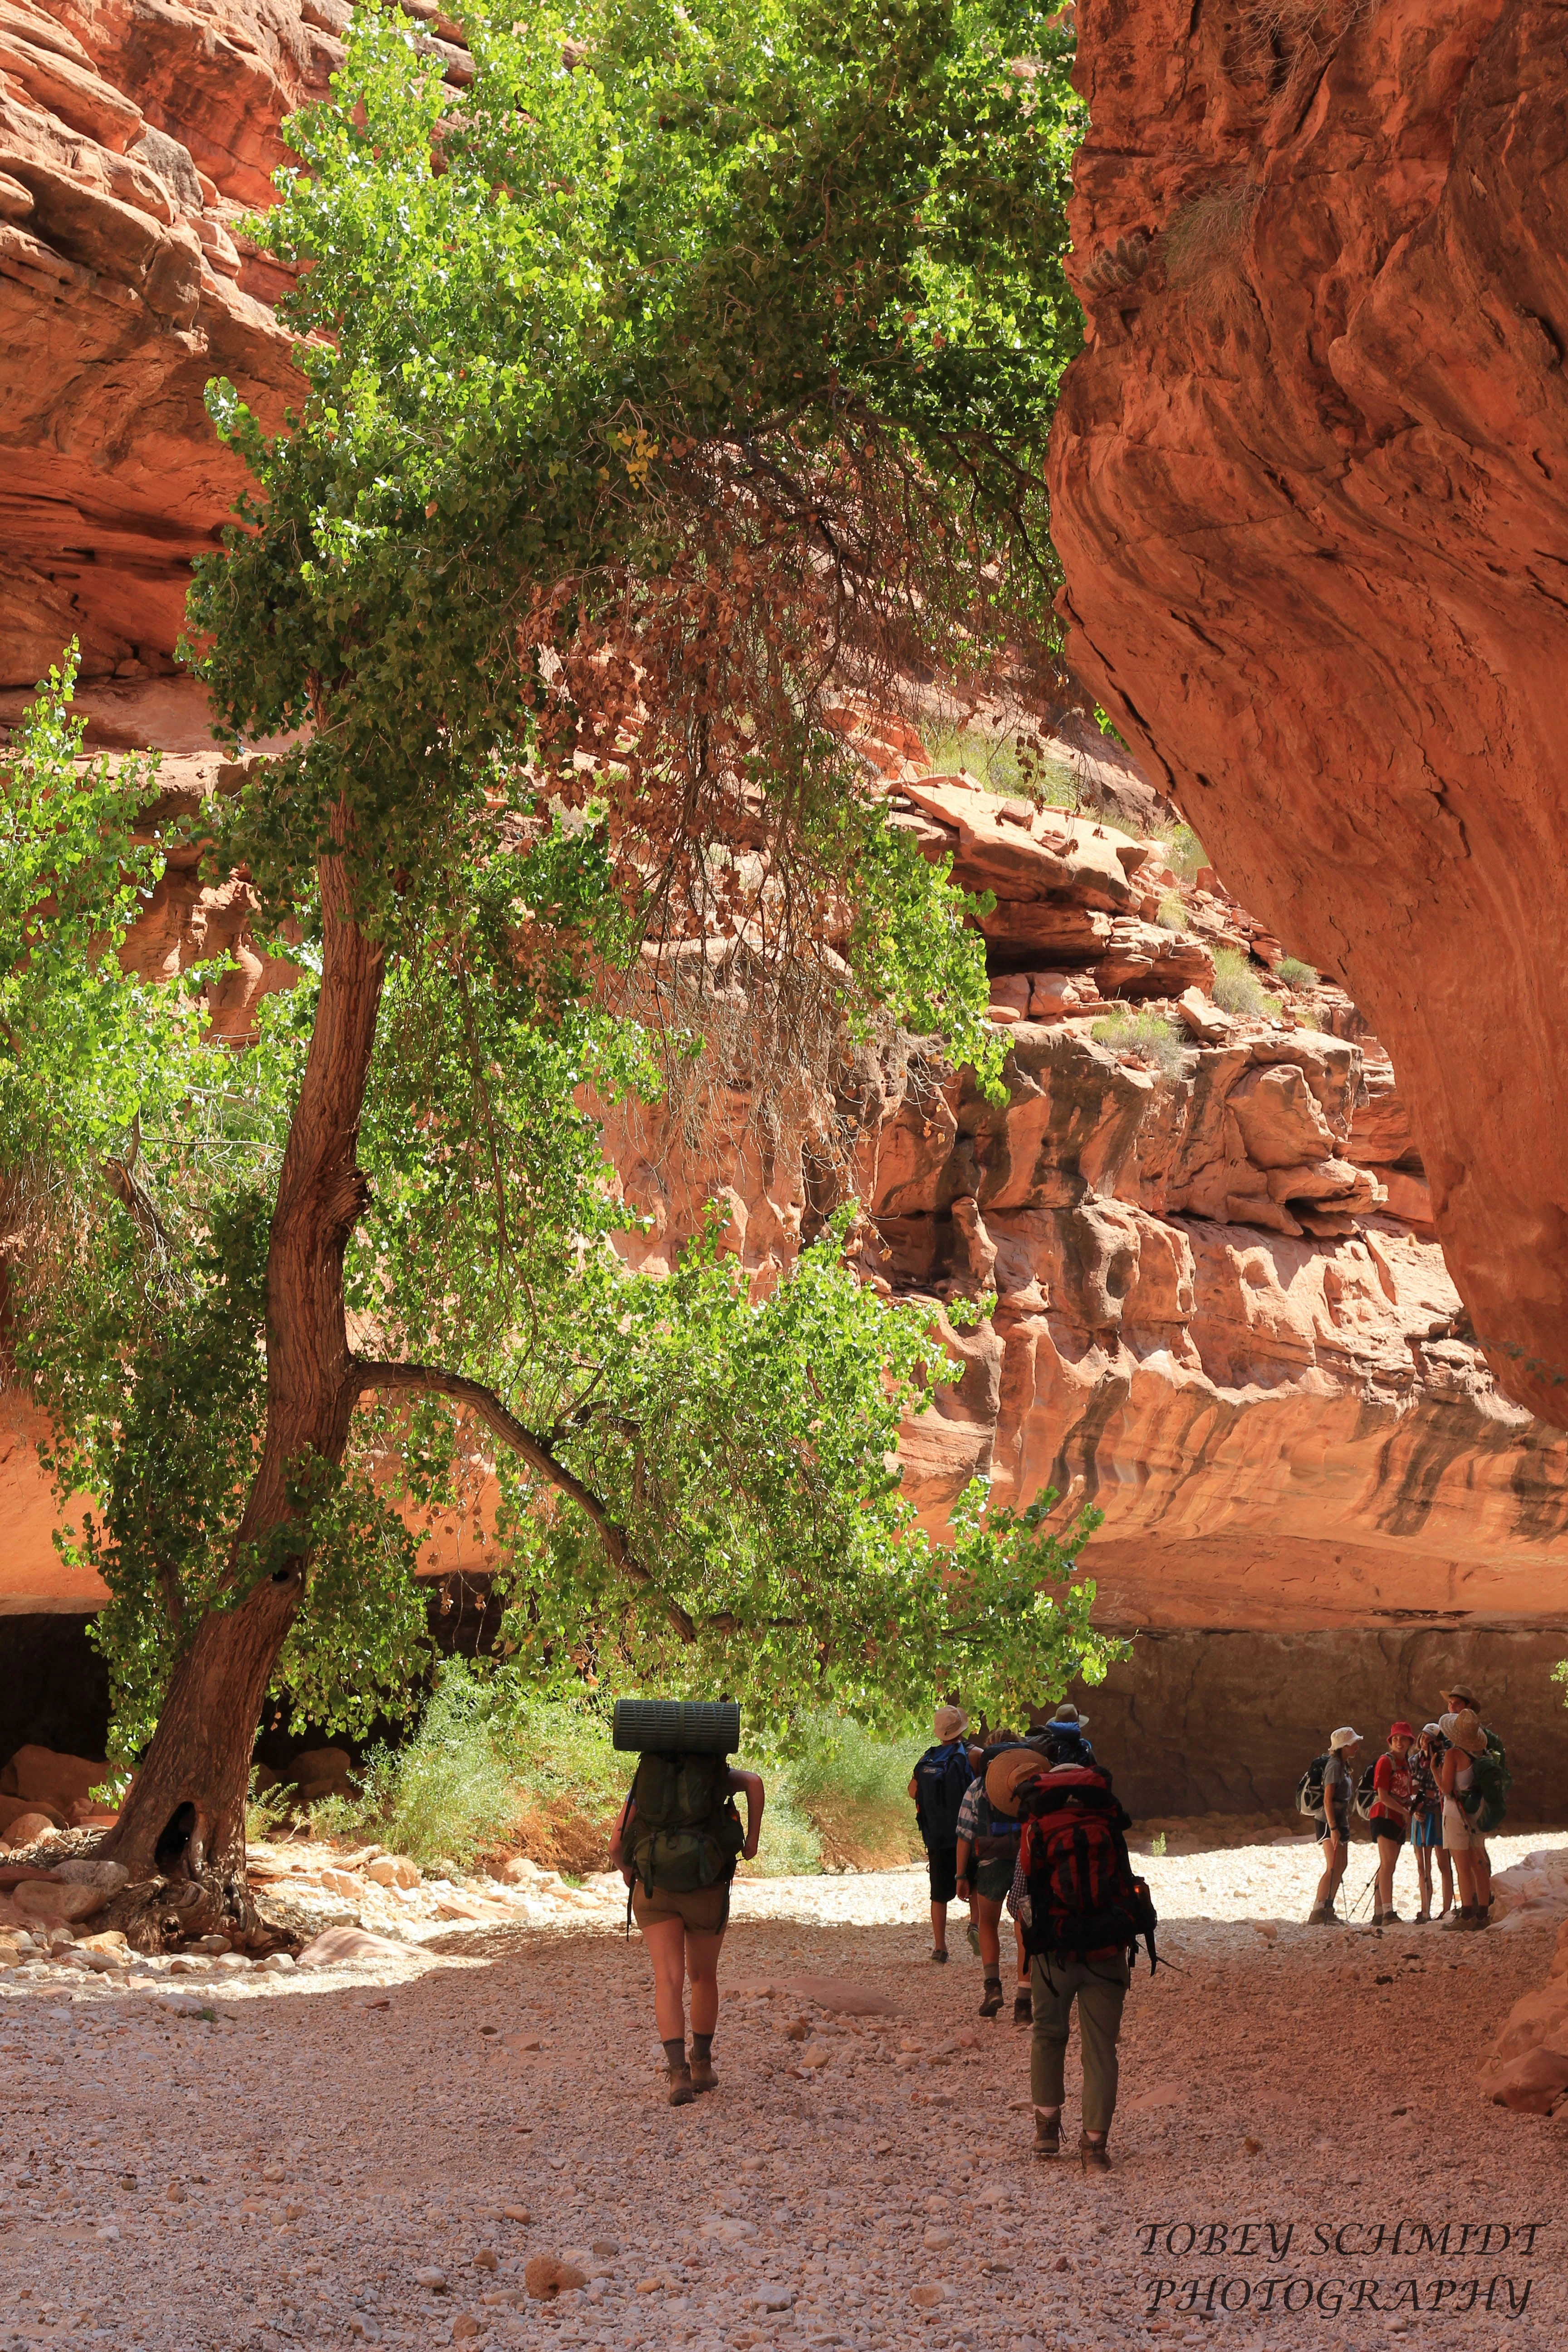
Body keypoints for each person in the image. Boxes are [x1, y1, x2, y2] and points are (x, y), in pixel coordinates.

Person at [990, 1743, 1135, 2173]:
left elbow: (1018, 1901)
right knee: (1101, 2050)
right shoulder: (1108, 1825)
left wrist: (1039, 1935)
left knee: (1049, 2037)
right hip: (1106, 1952)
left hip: (1054, 1954)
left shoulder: (1037, 1828)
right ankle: (1095, 2147)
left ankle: (1047, 2130)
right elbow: (1127, 1888)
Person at [610, 1754, 764, 2104]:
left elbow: (615, 1846)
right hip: (706, 1889)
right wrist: (751, 1842)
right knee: (703, 1977)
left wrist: (627, 1872)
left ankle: (677, 2076)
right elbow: (754, 1782)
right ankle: (702, 2066)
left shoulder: (648, 1781)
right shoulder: (714, 1775)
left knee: (667, 1979)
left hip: (654, 1890)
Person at [956, 1735, 1031, 2023]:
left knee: (987, 1923)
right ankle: (1024, 2002)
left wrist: (961, 1875)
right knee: (1023, 1926)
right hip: (1027, 1862)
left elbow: (964, 1834)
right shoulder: (1034, 1785)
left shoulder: (979, 1786)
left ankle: (993, 1988)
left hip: (991, 1862)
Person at [908, 1706, 973, 1963]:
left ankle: (940, 1947)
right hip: (963, 1834)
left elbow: (913, 1791)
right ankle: (977, 1926)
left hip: (935, 1836)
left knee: (938, 1894)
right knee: (974, 1884)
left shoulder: (928, 1757)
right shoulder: (967, 1756)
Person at [1441, 1685, 1495, 1917]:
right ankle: (1483, 1911)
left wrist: (1436, 1769)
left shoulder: (1453, 1754)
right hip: (1478, 1810)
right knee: (1479, 1862)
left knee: (1462, 1866)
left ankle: (1466, 1912)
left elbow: (1446, 1788)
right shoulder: (1483, 1754)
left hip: (1457, 1813)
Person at [1306, 1726, 1361, 1924]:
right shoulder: (1334, 1766)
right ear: (1344, 1746)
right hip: (1329, 1821)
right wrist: (1334, 1829)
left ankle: (1328, 1909)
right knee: (1332, 1867)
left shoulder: (1343, 1765)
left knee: (1341, 1865)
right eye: (1354, 1743)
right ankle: (1318, 1911)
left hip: (1340, 1820)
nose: (1357, 1746)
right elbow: (1328, 1799)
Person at [1369, 1721, 1414, 1925]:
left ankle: (1379, 1913)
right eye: (1396, 1739)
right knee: (1388, 1865)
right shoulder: (1385, 1762)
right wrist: (1405, 1812)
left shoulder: (1407, 1765)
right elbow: (1383, 1796)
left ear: (1410, 1742)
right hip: (1384, 1815)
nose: (1399, 1742)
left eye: (1403, 1738)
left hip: (1398, 1817)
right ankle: (1388, 1912)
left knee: (1388, 1866)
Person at [1408, 1723, 1453, 1922]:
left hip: (1439, 1814)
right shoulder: (1414, 1761)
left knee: (1444, 1863)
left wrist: (1421, 1796)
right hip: (1420, 1815)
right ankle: (1425, 1909)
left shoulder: (1444, 1759)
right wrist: (1415, 1808)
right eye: (1424, 1736)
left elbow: (1442, 1788)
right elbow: (1409, 1788)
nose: (1425, 1741)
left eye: (1431, 1738)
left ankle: (1446, 1909)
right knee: (1422, 1866)